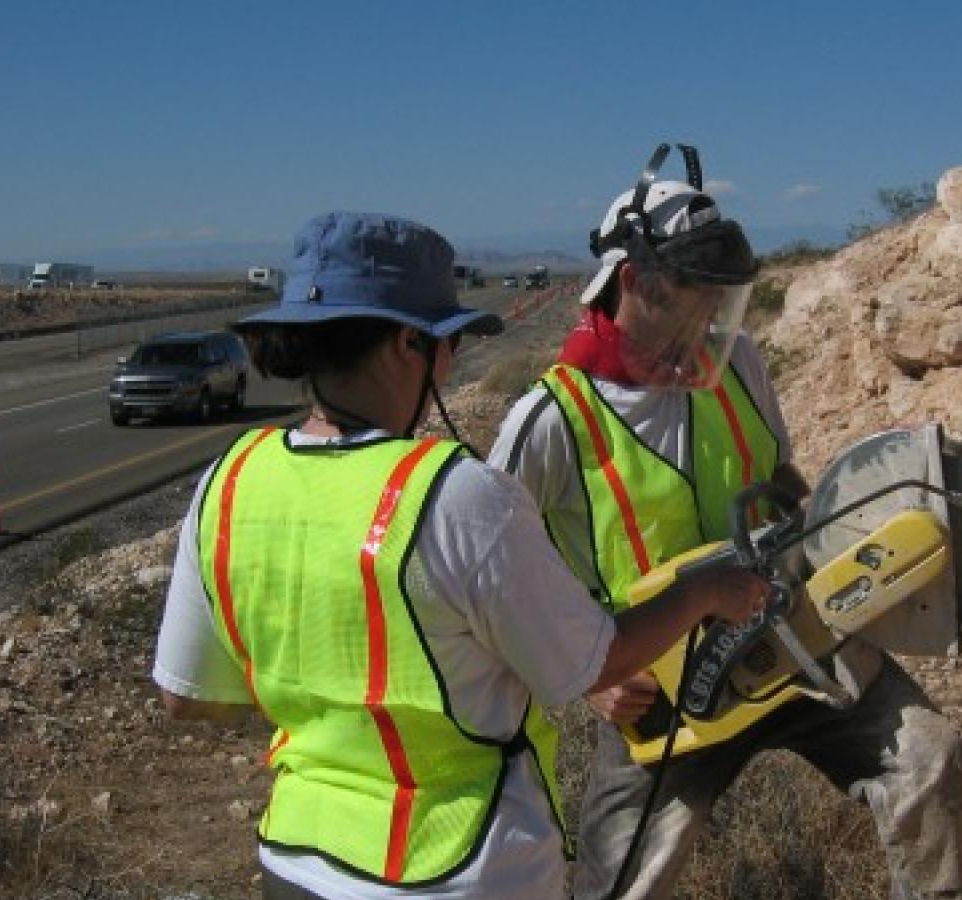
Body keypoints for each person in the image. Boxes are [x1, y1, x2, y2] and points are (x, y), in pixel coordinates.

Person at [151, 210, 769, 900]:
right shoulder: (455, 496)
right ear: (404, 345)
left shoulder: (229, 481)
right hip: (459, 865)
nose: (450, 363)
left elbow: (184, 696)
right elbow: (593, 662)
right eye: (444, 345)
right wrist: (703, 593)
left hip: (296, 860)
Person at [489, 148, 962, 900]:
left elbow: (782, 478)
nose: (708, 329)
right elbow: (499, 571)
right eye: (694, 303)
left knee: (930, 760)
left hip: (795, 637)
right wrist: (587, 677)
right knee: (619, 881)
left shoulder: (737, 362)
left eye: (720, 308)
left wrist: (826, 526)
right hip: (659, 688)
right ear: (634, 282)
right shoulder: (549, 420)